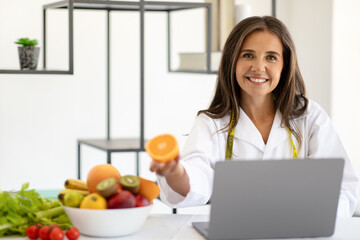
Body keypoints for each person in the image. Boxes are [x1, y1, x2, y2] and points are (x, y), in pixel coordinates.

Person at [150, 16, 359, 217]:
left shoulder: (309, 116)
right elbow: (198, 176)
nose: (259, 67)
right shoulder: (211, 123)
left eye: (271, 57)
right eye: (248, 55)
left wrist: (316, 220)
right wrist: (176, 173)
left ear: (284, 65)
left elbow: (343, 187)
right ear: (232, 61)